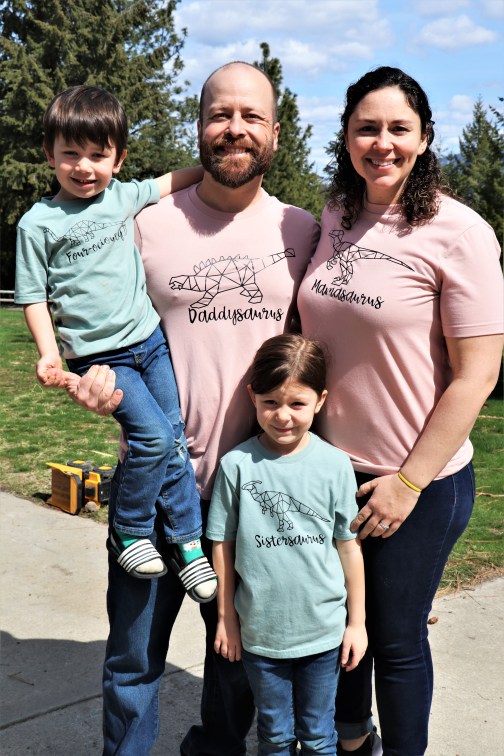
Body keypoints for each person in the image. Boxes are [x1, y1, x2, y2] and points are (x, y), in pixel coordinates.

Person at [69, 62, 320, 755]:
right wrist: (91, 376)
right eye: (219, 114)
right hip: (153, 489)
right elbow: (91, 324)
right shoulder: (144, 224)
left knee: (237, 663)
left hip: (257, 492)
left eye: (251, 116)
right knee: (133, 661)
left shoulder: (303, 232)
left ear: (275, 132)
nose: (234, 128)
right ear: (199, 125)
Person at [297, 66, 503, 756]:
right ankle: (352, 742)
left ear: (424, 138)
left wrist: (407, 483)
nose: (381, 143)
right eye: (366, 128)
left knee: (394, 637)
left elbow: (477, 376)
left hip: (418, 481)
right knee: (339, 626)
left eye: (397, 129)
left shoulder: (460, 232)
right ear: (346, 137)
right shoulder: (336, 214)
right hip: (330, 473)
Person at [14, 84, 217, 597]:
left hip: (150, 342)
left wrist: (214, 170)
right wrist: (48, 352)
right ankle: (130, 529)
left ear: (118, 159)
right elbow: (33, 297)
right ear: (49, 154)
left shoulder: (122, 196)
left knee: (175, 438)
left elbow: (170, 181)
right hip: (102, 358)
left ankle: (188, 544)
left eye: (98, 156)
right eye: (70, 154)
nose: (84, 167)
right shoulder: (38, 224)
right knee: (152, 439)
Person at [207, 333, 367, 754]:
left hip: (323, 634)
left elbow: (348, 546)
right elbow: (222, 544)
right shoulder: (236, 466)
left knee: (318, 736)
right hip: (260, 634)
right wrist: (226, 618)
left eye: (297, 403)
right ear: (253, 397)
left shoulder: (335, 465)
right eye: (270, 402)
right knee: (275, 735)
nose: (282, 416)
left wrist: (357, 623)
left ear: (320, 401)